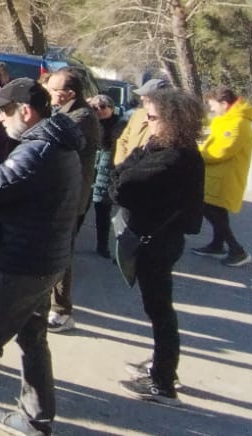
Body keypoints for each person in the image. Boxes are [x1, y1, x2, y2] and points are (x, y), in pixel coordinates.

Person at [0, 79, 83, 436]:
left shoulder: (37, 152)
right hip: (44, 261)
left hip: (21, 266)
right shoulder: (55, 143)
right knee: (32, 339)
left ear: (25, 111)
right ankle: (36, 418)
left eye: (5, 112)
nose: (1, 119)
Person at [113, 88, 206, 405]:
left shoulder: (175, 157)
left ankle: (163, 382)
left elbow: (122, 188)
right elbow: (122, 171)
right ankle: (162, 366)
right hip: (155, 237)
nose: (147, 122)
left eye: (152, 117)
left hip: (158, 242)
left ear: (173, 120)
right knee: (157, 308)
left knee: (159, 309)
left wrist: (121, 177)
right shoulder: (160, 146)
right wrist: (122, 175)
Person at [45, 69, 100, 333]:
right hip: (60, 192)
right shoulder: (63, 112)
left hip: (71, 196)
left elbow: (52, 139)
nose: (48, 93)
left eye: (52, 90)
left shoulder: (82, 117)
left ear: (69, 94)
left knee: (61, 252)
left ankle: (62, 310)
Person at [194, 86, 252, 267]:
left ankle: (237, 250)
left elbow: (221, 152)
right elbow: (212, 146)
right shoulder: (226, 120)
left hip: (225, 177)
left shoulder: (238, 123)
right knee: (217, 211)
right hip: (215, 175)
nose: (211, 109)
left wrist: (195, 154)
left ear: (224, 103)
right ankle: (217, 245)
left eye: (213, 105)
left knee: (211, 210)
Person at [87, 95, 122, 258]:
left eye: (103, 107)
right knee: (81, 210)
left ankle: (103, 246)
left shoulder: (119, 125)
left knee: (103, 211)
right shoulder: (89, 122)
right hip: (90, 170)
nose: (99, 110)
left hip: (106, 172)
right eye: (95, 108)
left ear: (111, 108)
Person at [114, 78, 168, 165]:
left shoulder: (170, 120)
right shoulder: (138, 114)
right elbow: (122, 140)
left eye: (145, 95)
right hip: (125, 168)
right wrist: (121, 164)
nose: (141, 98)